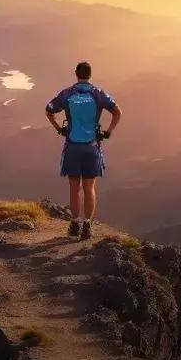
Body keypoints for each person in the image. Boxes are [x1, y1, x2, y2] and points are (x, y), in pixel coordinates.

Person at [45, 61, 121, 239]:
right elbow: (117, 112)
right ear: (90, 75)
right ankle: (87, 225)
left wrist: (59, 128)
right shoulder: (98, 94)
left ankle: (74, 224)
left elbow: (49, 110)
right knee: (89, 188)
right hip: (92, 147)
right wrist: (108, 132)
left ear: (76, 74)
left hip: (72, 147)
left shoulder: (66, 94)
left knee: (74, 188)